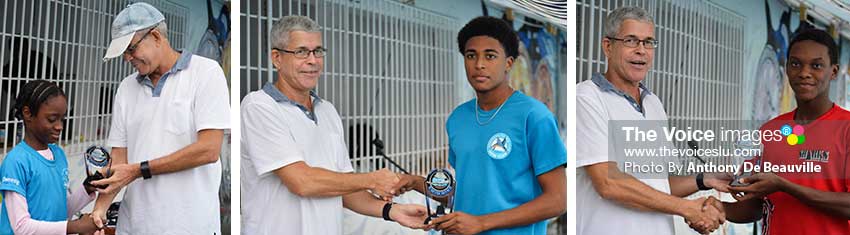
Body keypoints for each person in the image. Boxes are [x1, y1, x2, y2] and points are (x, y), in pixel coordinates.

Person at [240, 15, 427, 235]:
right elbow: (302, 182)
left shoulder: (327, 110)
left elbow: (345, 189)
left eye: (318, 51)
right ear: (277, 58)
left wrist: (392, 211)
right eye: (301, 52)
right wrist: (371, 179)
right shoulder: (259, 106)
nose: (313, 60)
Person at [393, 16, 567, 235]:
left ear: (509, 63)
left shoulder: (534, 116)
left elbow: (558, 200)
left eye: (490, 56)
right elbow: (469, 191)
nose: (479, 64)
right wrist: (416, 183)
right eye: (471, 55)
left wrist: (481, 223)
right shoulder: (458, 118)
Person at [575, 6, 730, 235]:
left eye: (648, 42)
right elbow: (609, 183)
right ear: (608, 46)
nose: (641, 50)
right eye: (631, 41)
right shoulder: (587, 97)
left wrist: (704, 179)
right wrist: (687, 208)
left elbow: (660, 184)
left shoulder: (653, 104)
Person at [92, 2, 231, 234]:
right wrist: (99, 210)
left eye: (131, 49)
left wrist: (138, 170)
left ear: (156, 36)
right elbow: (119, 161)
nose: (127, 58)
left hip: (190, 226)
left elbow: (208, 150)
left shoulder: (205, 73)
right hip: (134, 226)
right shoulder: (126, 88)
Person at [721, 28, 850, 235]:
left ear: (833, 72)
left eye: (816, 65)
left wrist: (785, 186)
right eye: (796, 63)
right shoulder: (770, 132)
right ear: (787, 67)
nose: (804, 73)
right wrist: (719, 209)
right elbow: (756, 207)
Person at [0, 80, 100, 235]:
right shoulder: (16, 161)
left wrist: (87, 188)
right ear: (28, 114)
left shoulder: (58, 154)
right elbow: (21, 227)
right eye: (52, 119)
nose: (59, 126)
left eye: (62, 119)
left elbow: (60, 210)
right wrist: (74, 227)